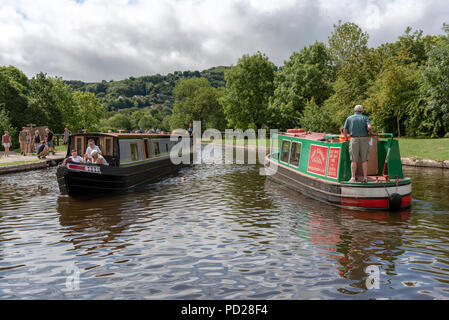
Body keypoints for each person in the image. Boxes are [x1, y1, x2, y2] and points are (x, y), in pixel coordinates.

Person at [344, 104, 373, 183]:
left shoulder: (349, 118)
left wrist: (346, 139)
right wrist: (371, 133)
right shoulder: (365, 118)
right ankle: (365, 178)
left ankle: (353, 178)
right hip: (364, 139)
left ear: (354, 110)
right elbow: (369, 127)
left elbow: (345, 129)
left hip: (354, 139)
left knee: (353, 160)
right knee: (364, 160)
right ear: (362, 111)